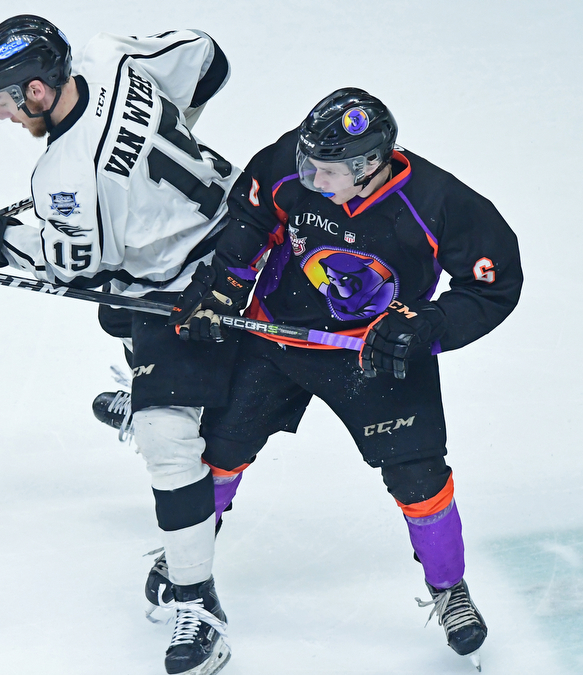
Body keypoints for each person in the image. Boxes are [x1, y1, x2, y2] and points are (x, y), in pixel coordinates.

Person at [157, 87, 522, 669]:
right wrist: (225, 284)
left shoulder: (439, 203)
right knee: (219, 453)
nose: (307, 175)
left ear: (369, 165)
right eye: (305, 161)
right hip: (276, 336)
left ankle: (450, 589)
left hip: (376, 355)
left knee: (420, 479)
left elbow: (494, 286)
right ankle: (189, 552)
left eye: (323, 169)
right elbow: (256, 219)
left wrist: (426, 324)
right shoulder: (289, 166)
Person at [0, 15, 242, 675]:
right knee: (115, 311)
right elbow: (208, 61)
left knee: (166, 439)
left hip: (189, 286)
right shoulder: (111, 56)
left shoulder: (65, 177)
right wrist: (159, 146)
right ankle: (157, 391)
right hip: (244, 229)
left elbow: (72, 266)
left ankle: (199, 604)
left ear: (38, 91)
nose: (4, 113)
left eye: (6, 101)